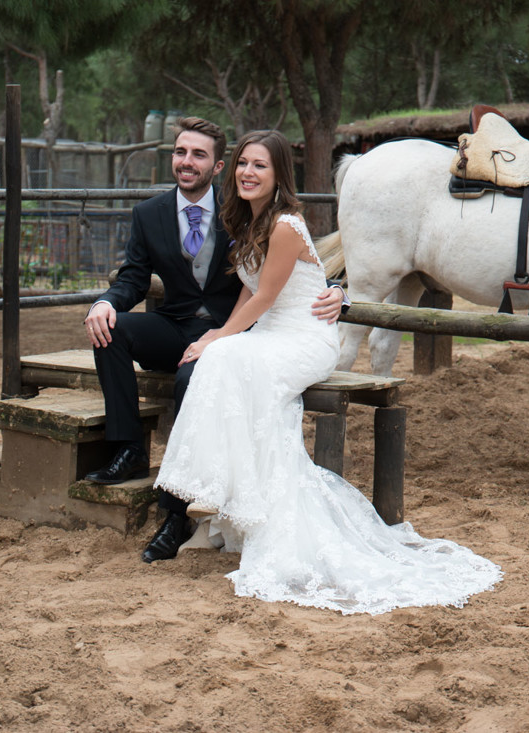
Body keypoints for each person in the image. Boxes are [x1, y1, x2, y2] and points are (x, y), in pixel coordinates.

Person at [153, 129, 502, 615]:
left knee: (223, 356)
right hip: (270, 332)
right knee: (224, 360)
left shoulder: (284, 225)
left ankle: (215, 497)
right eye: (242, 164)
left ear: (278, 177)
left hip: (303, 336)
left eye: (260, 166)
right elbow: (245, 290)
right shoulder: (246, 220)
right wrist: (224, 336)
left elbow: (267, 297)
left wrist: (216, 335)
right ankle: (216, 501)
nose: (248, 173)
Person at [83, 117, 345, 564]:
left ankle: (177, 515)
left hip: (244, 328)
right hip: (181, 325)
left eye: (199, 154)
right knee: (111, 332)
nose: (187, 162)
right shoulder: (177, 214)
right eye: (180, 152)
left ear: (215, 165)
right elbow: (132, 277)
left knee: (202, 374)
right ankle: (127, 448)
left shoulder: (243, 212)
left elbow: (294, 276)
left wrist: (342, 293)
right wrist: (105, 302)